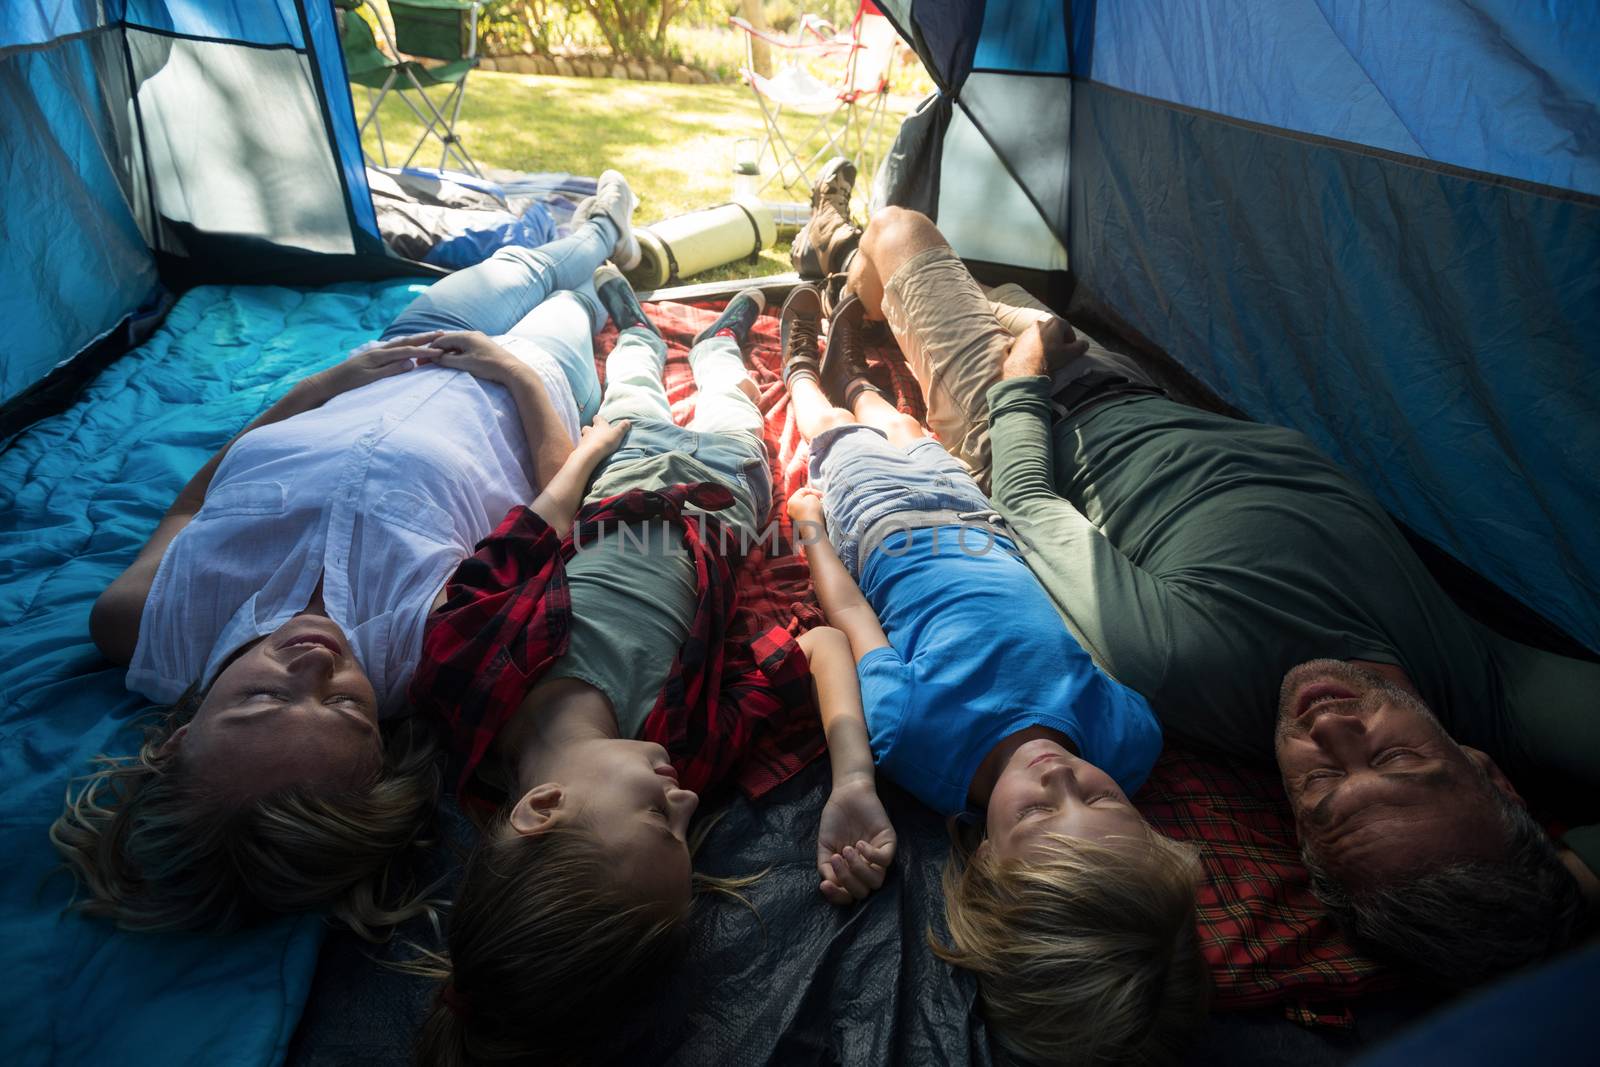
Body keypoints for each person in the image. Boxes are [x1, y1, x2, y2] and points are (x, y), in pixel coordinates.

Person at [807, 185, 1599, 985]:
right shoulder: (1490, 684)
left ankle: (837, 243)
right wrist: (1559, 887)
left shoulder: (1189, 664)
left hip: (1040, 411)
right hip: (1157, 390)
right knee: (988, 289)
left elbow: (1028, 502)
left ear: (1296, 828)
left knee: (900, 233)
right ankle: (853, 273)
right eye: (1394, 757)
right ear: (1487, 769)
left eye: (1321, 786)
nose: (1330, 730)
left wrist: (1020, 381)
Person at [52, 171, 646, 936]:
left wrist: (330, 381)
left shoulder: (143, 621)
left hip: (404, 349)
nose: (316, 662)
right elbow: (551, 517)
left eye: (263, 697)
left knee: (528, 268)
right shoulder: (418, 649)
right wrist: (520, 378)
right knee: (574, 302)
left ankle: (602, 230)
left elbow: (194, 500)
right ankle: (607, 268)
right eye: (345, 706)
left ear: (176, 740)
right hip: (524, 388)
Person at [776, 283, 1208, 1067]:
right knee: (903, 423)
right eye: (1101, 796)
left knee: (835, 433)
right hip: (979, 521)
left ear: (982, 860)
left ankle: (803, 371)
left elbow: (853, 624)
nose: (1063, 777)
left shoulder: (914, 736)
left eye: (1040, 814)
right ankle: (858, 372)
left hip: (886, 528)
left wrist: (812, 534)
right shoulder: (1128, 740)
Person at [406, 273, 823, 1065]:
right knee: (735, 402)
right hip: (722, 499)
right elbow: (793, 660)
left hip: (618, 479)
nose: (688, 799)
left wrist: (587, 453)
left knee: (631, 384)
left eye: (657, 817)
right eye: (687, 828)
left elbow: (522, 539)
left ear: (544, 807)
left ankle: (636, 330)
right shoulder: (686, 748)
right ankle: (719, 346)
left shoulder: (457, 673)